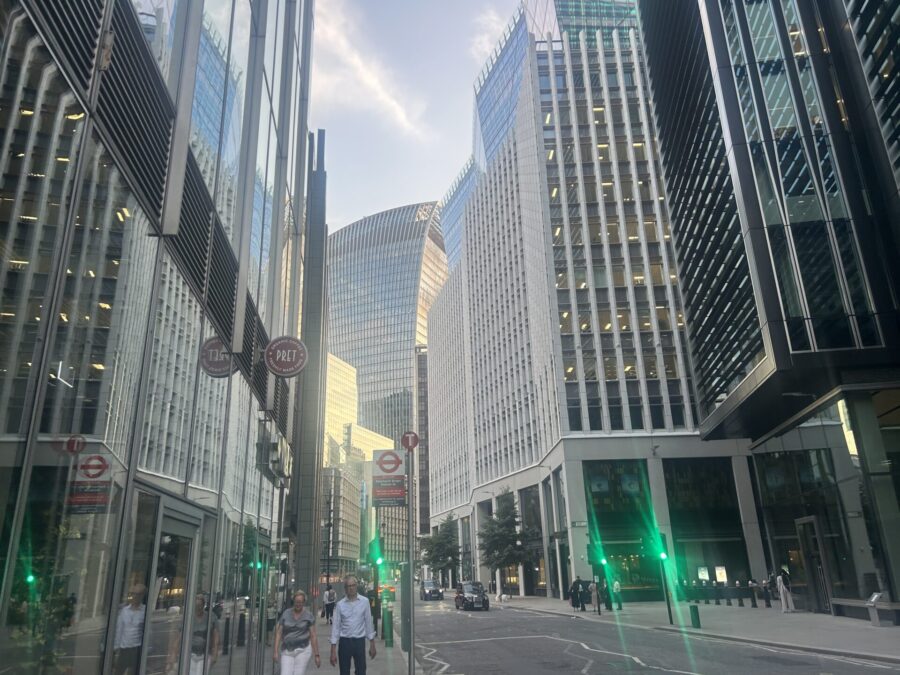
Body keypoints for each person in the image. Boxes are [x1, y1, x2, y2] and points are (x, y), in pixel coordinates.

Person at [330, 575, 377, 675]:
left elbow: (368, 623)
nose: (351, 588)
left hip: (359, 642)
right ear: (345, 589)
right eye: (348, 586)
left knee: (361, 671)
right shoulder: (340, 605)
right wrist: (333, 650)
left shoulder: (365, 602)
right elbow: (336, 628)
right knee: (344, 671)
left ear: (356, 586)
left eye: (353, 585)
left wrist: (372, 644)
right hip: (345, 642)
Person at [274, 590, 320, 674]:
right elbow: (279, 632)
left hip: (303, 650)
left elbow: (313, 635)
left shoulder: (308, 616)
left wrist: (316, 655)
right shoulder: (286, 613)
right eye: (296, 602)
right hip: (287, 650)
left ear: (304, 602)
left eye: (300, 602)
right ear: (293, 601)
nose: (298, 604)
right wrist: (275, 651)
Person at [113, 584, 147, 675]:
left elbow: (148, 632)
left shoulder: (145, 611)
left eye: (138, 594)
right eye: (134, 593)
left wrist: (147, 650)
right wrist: (116, 649)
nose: (135, 596)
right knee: (118, 672)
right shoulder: (124, 611)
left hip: (136, 649)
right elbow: (119, 630)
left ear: (142, 596)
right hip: (124, 650)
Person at [188, 593, 219, 675]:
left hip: (204, 655)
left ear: (203, 605)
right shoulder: (189, 617)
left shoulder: (211, 617)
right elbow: (179, 636)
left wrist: (215, 652)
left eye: (200, 604)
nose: (198, 607)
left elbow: (216, 636)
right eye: (196, 605)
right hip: (190, 654)